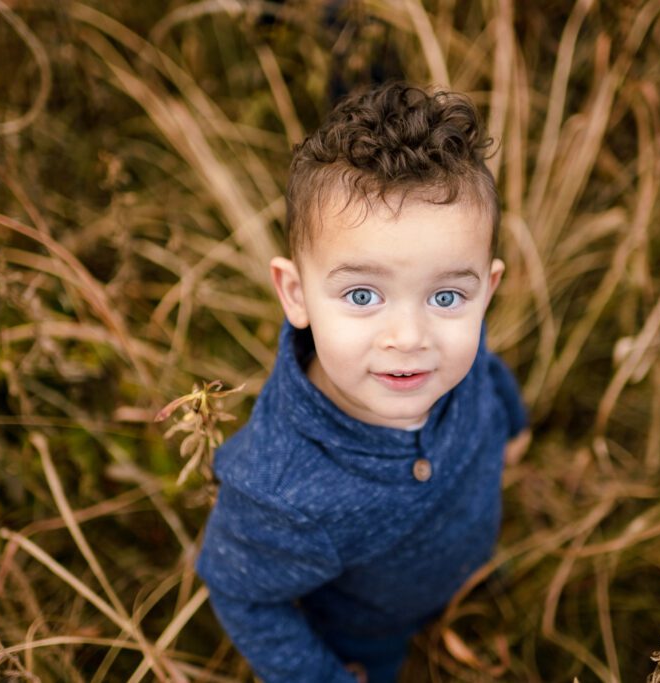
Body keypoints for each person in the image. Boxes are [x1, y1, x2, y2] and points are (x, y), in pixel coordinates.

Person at [196, 81, 528, 683]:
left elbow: (491, 371)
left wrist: (516, 425)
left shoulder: (457, 350)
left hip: (472, 559)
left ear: (487, 290)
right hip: (368, 633)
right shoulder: (281, 490)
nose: (409, 335)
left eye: (447, 294)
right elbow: (241, 593)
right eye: (362, 294)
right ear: (296, 294)